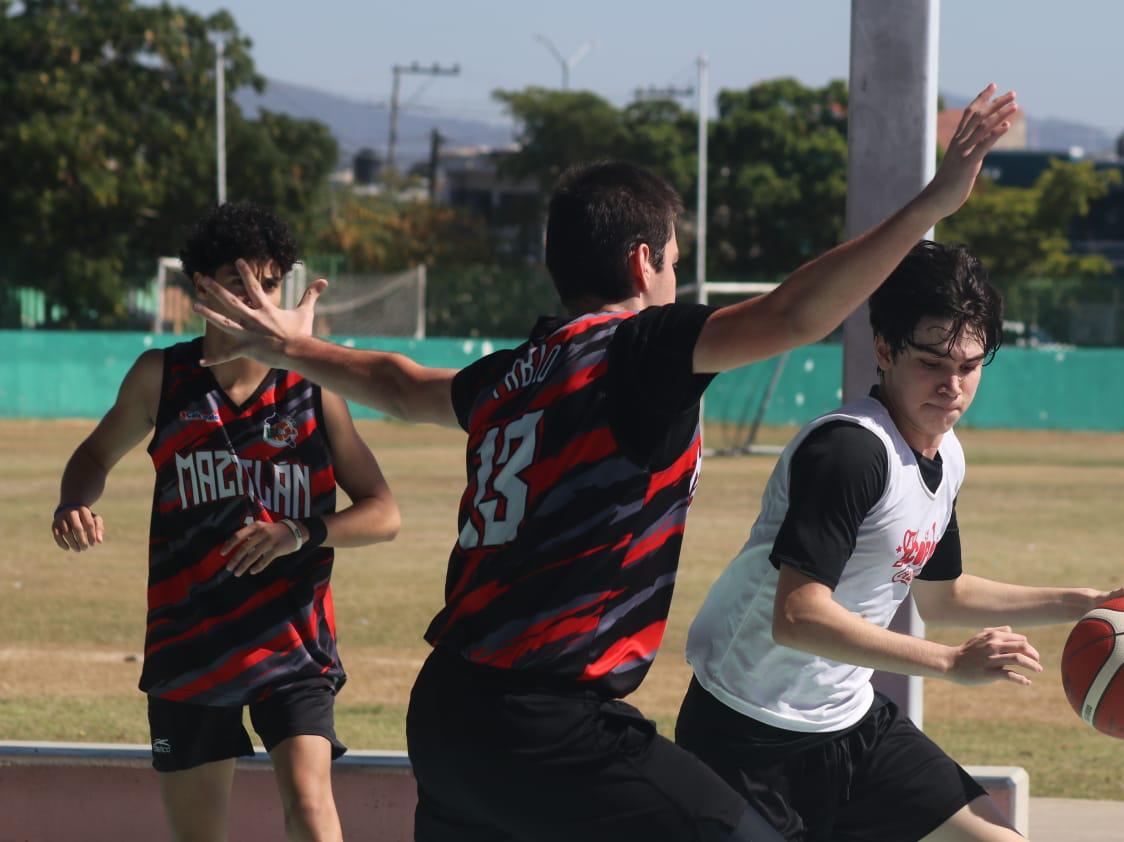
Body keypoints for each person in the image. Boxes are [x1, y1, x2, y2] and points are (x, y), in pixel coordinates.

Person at [191, 85, 1020, 842]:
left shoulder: (517, 370)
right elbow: (799, 311)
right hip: (550, 725)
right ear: (641, 263)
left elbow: (401, 387)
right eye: (671, 257)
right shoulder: (641, 349)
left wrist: (298, 349)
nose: (675, 275)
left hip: (449, 714)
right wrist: (934, 203)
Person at [676, 240, 1124, 842]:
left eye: (969, 366)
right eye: (932, 363)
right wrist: (949, 663)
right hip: (745, 736)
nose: (952, 385)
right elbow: (797, 617)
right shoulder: (848, 452)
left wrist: (1079, 603)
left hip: (849, 722)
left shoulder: (945, 455)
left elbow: (942, 596)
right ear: (885, 349)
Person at [51, 202, 401, 842]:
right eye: (238, 284)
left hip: (292, 643)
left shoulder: (313, 387)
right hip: (191, 643)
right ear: (200, 291)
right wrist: (74, 500)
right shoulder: (162, 378)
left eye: (268, 285)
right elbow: (94, 455)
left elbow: (384, 512)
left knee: (312, 810)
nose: (256, 301)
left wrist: (301, 531)